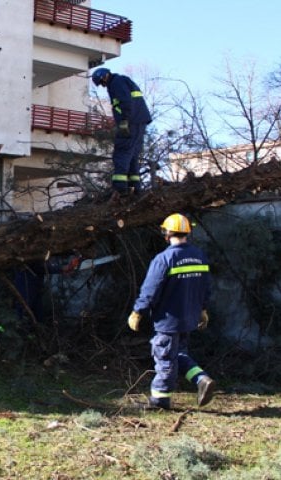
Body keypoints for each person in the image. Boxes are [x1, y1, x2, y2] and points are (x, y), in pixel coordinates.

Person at [127, 213, 215, 409]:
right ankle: (201, 379)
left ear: (166, 234)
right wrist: (203, 310)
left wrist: (138, 311)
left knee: (165, 358)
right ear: (187, 233)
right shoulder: (199, 256)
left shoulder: (164, 259)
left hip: (168, 320)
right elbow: (206, 287)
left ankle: (159, 400)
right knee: (179, 354)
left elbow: (151, 289)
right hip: (190, 318)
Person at [91, 67, 152, 200]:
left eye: (102, 82)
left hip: (131, 121)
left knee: (122, 152)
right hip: (138, 121)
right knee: (132, 154)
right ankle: (134, 186)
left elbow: (125, 101)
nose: (103, 85)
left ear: (105, 76)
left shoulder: (116, 82)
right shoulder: (122, 80)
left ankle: (120, 187)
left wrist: (124, 120)